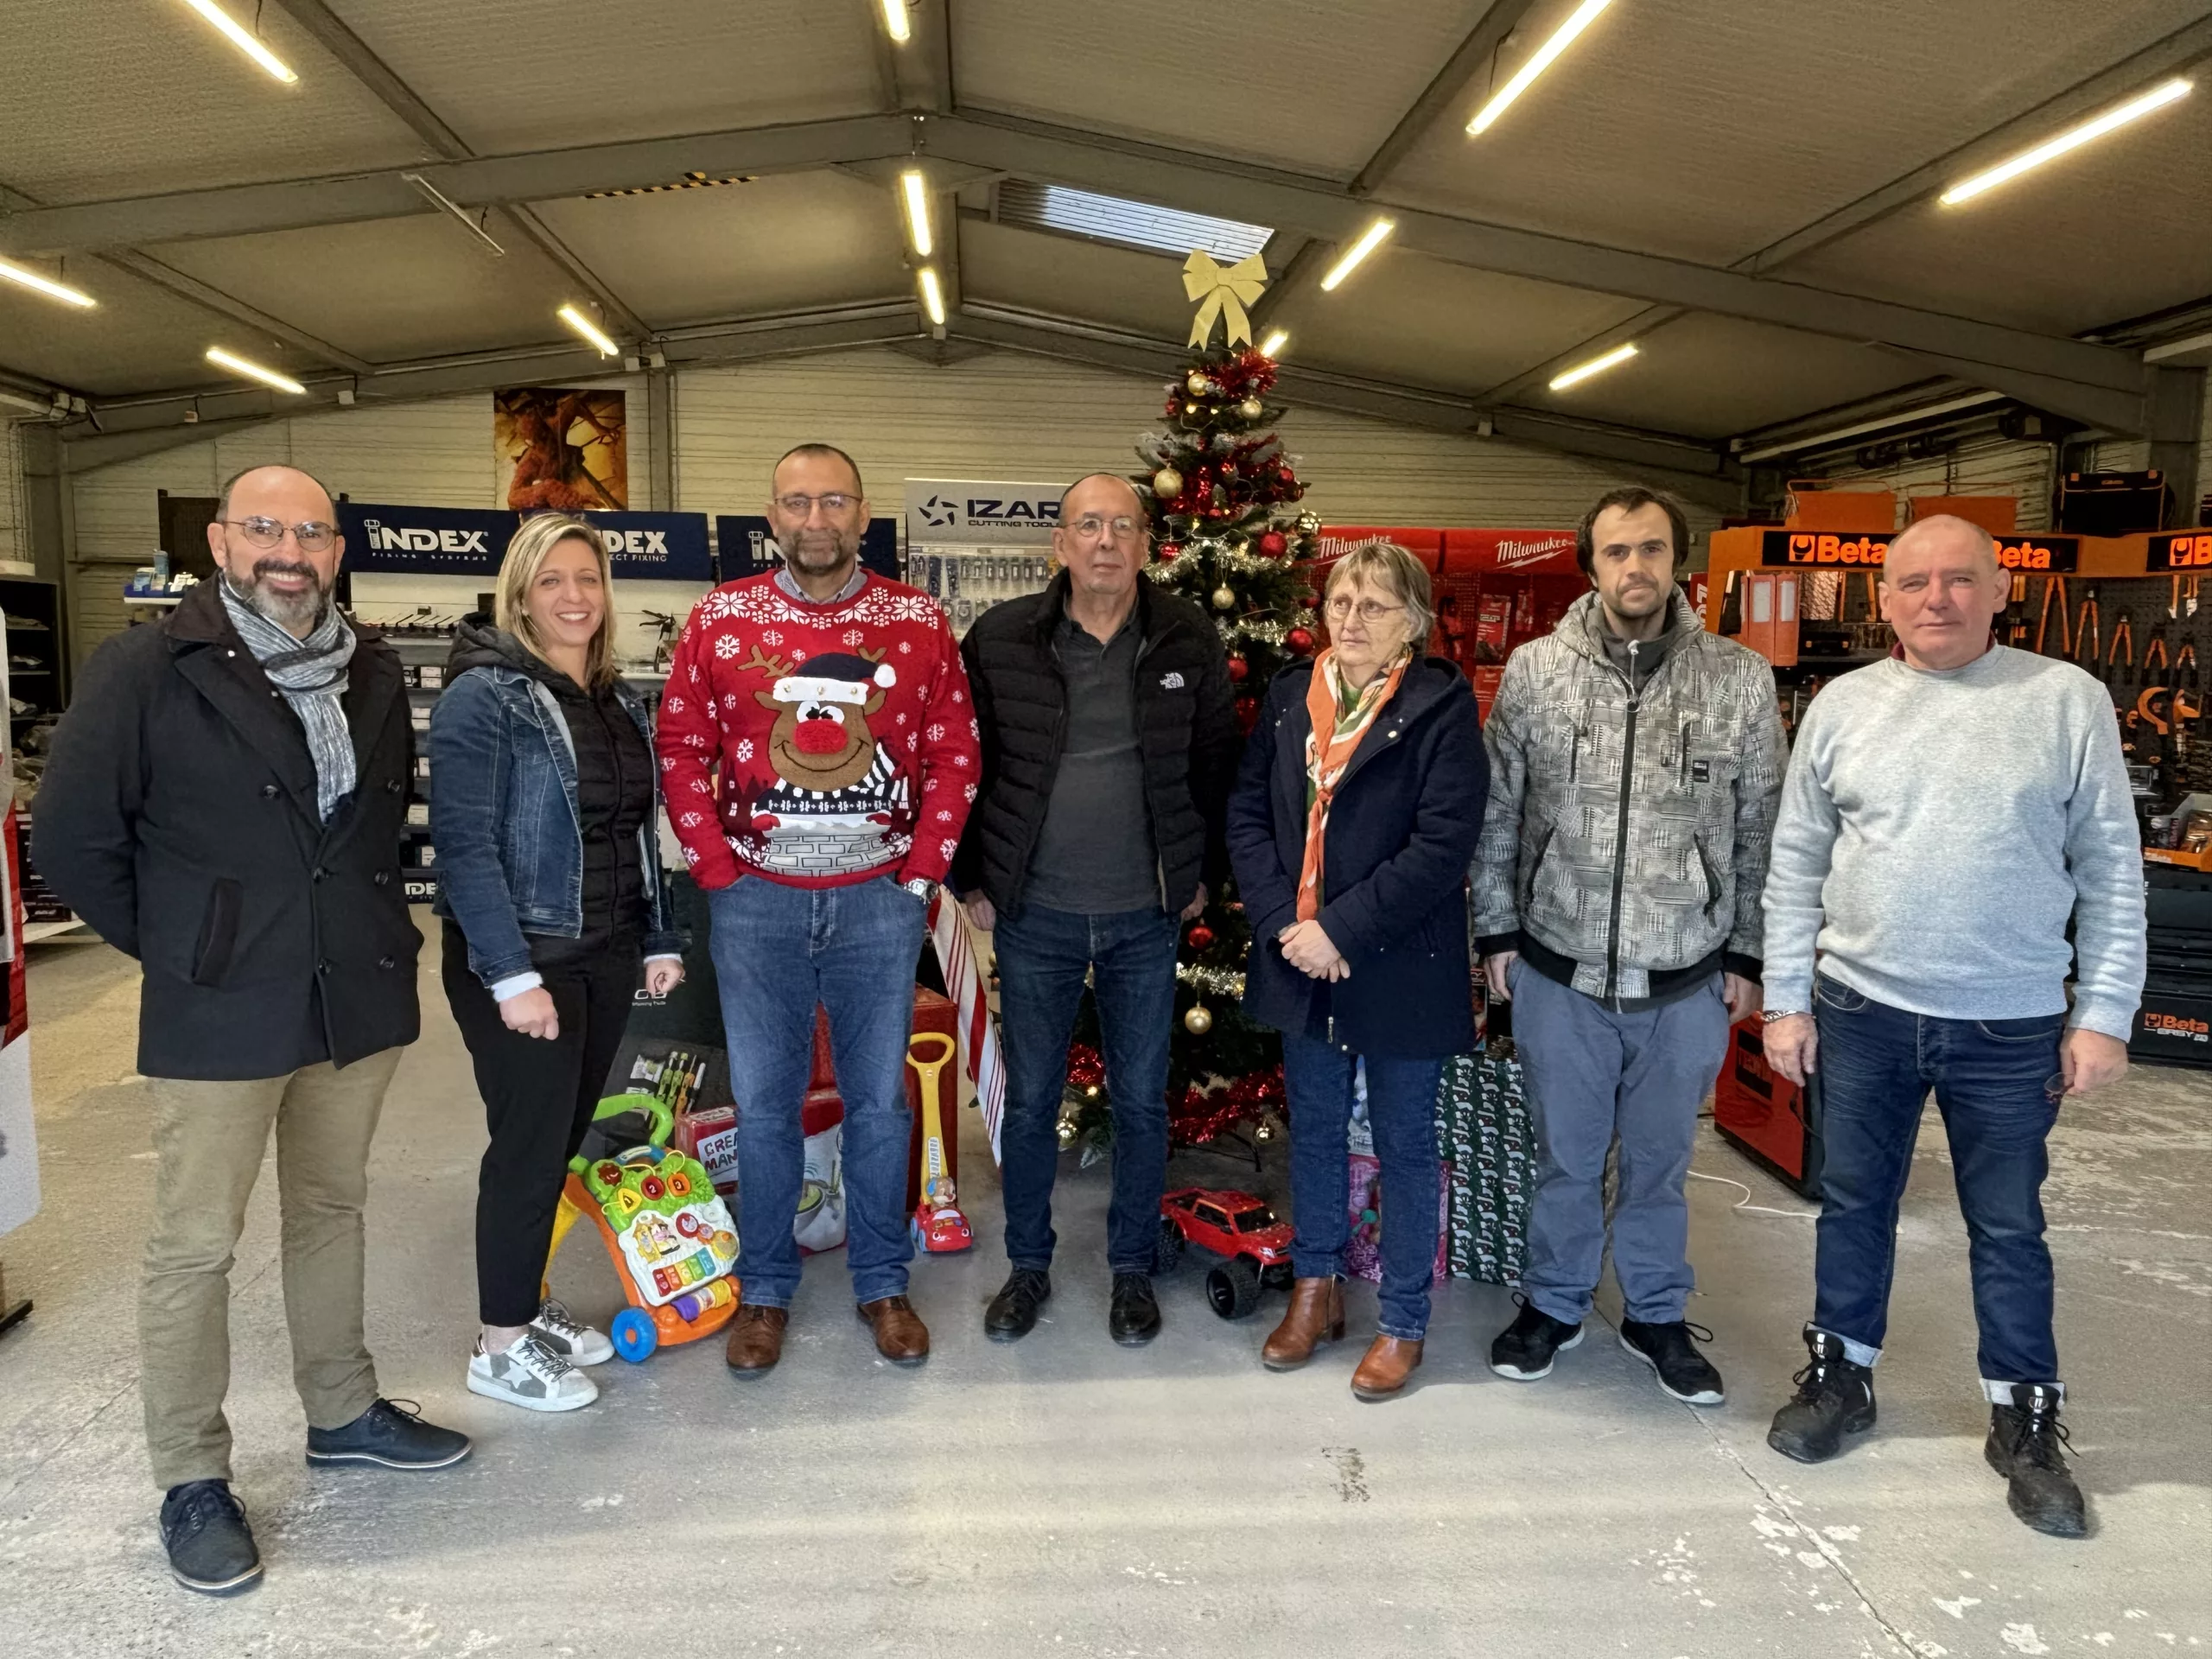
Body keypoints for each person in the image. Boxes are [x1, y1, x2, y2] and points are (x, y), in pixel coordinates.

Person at [33, 463, 469, 1598]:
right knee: (195, 1243)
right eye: (264, 528)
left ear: (336, 549)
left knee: (330, 1209)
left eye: (311, 531)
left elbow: (377, 818)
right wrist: (188, 948)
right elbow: (76, 840)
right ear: (221, 542)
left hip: (353, 995)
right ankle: (190, 1475)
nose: (290, 549)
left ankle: (341, 1411)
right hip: (220, 1002)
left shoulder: (367, 667)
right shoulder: (144, 669)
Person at [1758, 514, 2143, 1540]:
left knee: (2008, 1228)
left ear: (1999, 589)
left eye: (1959, 579)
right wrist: (1786, 999)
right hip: (1861, 1012)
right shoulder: (1842, 706)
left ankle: (2023, 1418)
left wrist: (2102, 1015)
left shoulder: (2064, 701)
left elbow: (2111, 869)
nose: (1937, 598)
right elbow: (1795, 865)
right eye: (1915, 582)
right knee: (1853, 1204)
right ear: (1882, 598)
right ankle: (1843, 1378)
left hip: (2010, 1025)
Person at [656, 443, 979, 1376]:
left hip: (879, 905)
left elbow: (955, 750)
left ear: (861, 510)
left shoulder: (917, 624)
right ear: (773, 513)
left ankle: (883, 1280)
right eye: (797, 502)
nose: (815, 520)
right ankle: (765, 1290)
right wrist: (715, 869)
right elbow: (679, 743)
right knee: (762, 1107)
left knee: (880, 1104)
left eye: (833, 501)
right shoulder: (721, 621)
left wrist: (920, 873)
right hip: (755, 905)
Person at [1472, 486, 1784, 1406]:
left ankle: (1653, 1311)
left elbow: (1761, 830)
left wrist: (1746, 956)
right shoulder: (1535, 671)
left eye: (1651, 550)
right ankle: (1555, 1303)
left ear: (1677, 563)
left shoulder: (1736, 678)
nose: (1634, 568)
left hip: (1684, 976)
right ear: (1591, 563)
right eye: (1616, 551)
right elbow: (1496, 814)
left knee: (1658, 1166)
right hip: (1556, 965)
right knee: (1564, 1159)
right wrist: (1494, 933)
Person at [952, 473, 1238, 1345]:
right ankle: (1027, 1268)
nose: (1106, 540)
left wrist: (1201, 876)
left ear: (1146, 542)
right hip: (1033, 911)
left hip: (1142, 918)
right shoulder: (1001, 640)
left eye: (1123, 524)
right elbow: (965, 764)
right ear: (1061, 544)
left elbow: (1217, 769)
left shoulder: (1188, 635)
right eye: (1089, 524)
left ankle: (1130, 1272)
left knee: (1143, 1102)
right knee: (1032, 1100)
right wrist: (972, 878)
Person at [430, 514, 688, 1413]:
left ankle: (525, 1306)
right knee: (526, 1150)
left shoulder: (617, 700)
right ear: (521, 594)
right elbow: (463, 845)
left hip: (605, 953)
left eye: (588, 578)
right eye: (552, 581)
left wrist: (656, 936)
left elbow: (634, 835)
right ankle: (499, 1347)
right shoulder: (486, 695)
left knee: (558, 1147)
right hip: (527, 961)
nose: (574, 596)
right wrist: (510, 975)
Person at [1226, 540, 1488, 1401]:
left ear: (1411, 620)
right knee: (1316, 1130)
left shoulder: (1439, 709)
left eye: (1373, 605)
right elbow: (1249, 821)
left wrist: (1340, 928)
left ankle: (1403, 1318)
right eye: (1340, 602)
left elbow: (1442, 844)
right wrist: (1285, 926)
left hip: (1398, 962)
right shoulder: (1286, 701)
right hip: (1300, 957)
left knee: (1407, 1145)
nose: (1351, 620)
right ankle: (1315, 1290)